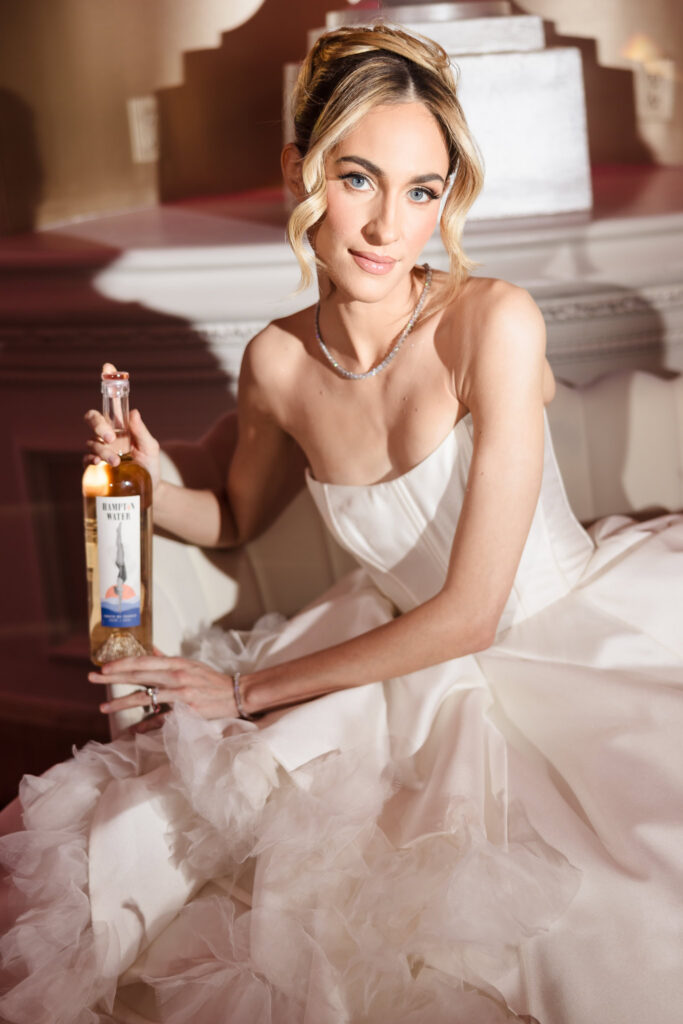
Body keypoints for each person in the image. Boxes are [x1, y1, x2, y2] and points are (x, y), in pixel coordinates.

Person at [1, 23, 682, 1024]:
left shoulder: (491, 323)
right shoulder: (276, 363)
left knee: (617, 911)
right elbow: (235, 516)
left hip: (553, 638)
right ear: (299, 170)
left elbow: (472, 616)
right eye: (357, 178)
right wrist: (150, 481)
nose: (385, 227)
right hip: (380, 655)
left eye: (420, 190)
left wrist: (245, 689)